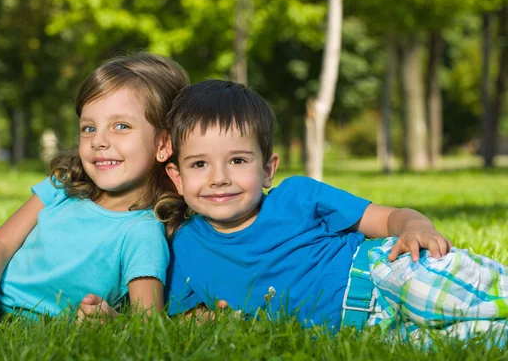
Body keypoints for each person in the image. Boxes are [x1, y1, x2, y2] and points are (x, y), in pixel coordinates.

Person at [157, 79, 508, 342]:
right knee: (477, 337)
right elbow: (186, 319)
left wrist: (416, 226)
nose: (219, 178)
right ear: (177, 178)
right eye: (200, 164)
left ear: (267, 169)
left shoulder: (297, 196)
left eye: (237, 160)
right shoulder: (185, 245)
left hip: (385, 275)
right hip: (364, 330)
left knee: (437, 293)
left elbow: (388, 218)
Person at [0, 53, 189, 340]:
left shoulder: (141, 234)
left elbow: (148, 325)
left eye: (121, 126)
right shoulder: (64, 186)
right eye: (89, 128)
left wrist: (112, 319)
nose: (99, 140)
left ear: (163, 143)